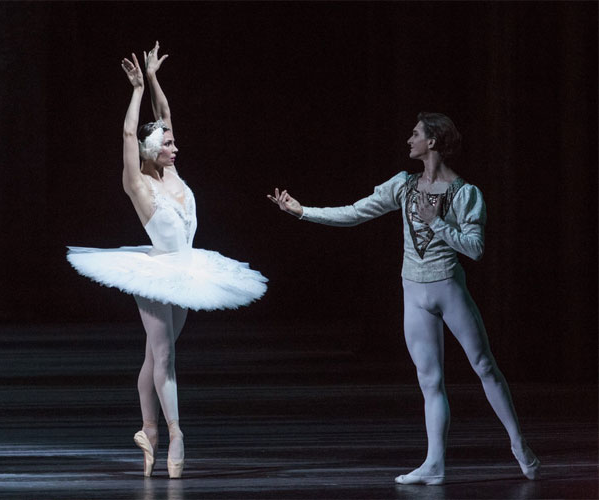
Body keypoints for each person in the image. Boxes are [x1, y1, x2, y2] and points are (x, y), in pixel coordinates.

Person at [267, 112, 540, 485]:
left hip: (448, 288)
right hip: (413, 292)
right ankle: (434, 464)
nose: (408, 140)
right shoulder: (403, 185)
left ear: (432, 142)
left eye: (415, 134)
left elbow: (475, 249)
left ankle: (518, 444)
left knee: (484, 366)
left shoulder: (465, 193)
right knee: (429, 381)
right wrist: (303, 212)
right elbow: (356, 212)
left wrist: (436, 222)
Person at [67, 42, 267, 478]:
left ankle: (147, 431)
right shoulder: (137, 184)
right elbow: (126, 136)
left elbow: (167, 113)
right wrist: (136, 89)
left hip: (188, 269)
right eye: (169, 142)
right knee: (165, 357)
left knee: (155, 357)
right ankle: (176, 433)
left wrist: (155, 78)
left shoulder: (173, 173)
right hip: (156, 273)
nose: (176, 146)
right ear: (152, 148)